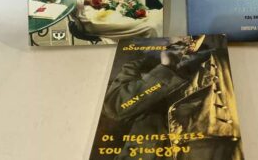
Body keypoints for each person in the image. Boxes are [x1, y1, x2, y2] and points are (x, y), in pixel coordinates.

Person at [101, 35, 244, 160]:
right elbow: (116, 109)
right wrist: (166, 69)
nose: (188, 37)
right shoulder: (142, 64)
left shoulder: (222, 62)